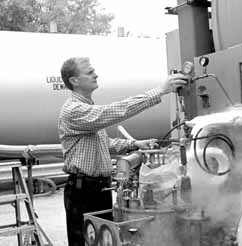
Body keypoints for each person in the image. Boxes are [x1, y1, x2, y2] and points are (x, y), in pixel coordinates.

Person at [58, 56, 187, 246]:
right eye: (89, 72)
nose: (96, 74)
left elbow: (103, 142)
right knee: (85, 241)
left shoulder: (87, 109)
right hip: (83, 191)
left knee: (104, 240)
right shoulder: (73, 110)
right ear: (74, 81)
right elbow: (116, 111)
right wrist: (160, 91)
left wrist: (135, 144)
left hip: (98, 188)